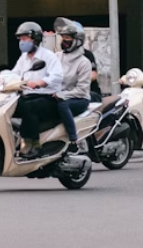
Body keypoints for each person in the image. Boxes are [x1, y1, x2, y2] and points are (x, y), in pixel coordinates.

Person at [11, 22, 64, 156]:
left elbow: (57, 76)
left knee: (30, 108)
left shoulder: (48, 56)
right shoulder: (23, 58)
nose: (22, 42)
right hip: (27, 95)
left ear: (36, 39)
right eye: (20, 39)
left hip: (48, 98)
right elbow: (14, 74)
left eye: (25, 39)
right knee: (9, 106)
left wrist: (40, 83)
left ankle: (33, 144)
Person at [55, 20, 92, 153]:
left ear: (77, 40)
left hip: (79, 98)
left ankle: (73, 139)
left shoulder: (84, 62)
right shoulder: (56, 57)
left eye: (68, 38)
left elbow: (82, 90)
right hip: (57, 95)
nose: (64, 40)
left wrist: (62, 95)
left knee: (62, 105)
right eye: (63, 37)